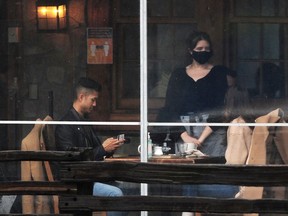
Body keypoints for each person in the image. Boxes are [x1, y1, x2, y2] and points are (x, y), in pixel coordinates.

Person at [155, 31, 238, 216]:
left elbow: (222, 108)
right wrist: (185, 136)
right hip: (183, 131)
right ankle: (187, 212)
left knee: (212, 176)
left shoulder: (219, 73)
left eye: (207, 49)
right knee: (186, 175)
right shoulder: (178, 74)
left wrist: (201, 138)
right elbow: (169, 109)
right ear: (190, 50)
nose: (203, 51)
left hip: (212, 131)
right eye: (199, 49)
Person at [55, 77, 124, 216]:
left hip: (89, 177)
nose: (95, 104)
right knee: (117, 194)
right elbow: (72, 161)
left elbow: (96, 150)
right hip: (78, 183)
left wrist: (110, 148)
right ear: (81, 97)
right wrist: (103, 149)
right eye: (93, 99)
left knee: (130, 187)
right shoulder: (65, 125)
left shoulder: (84, 121)